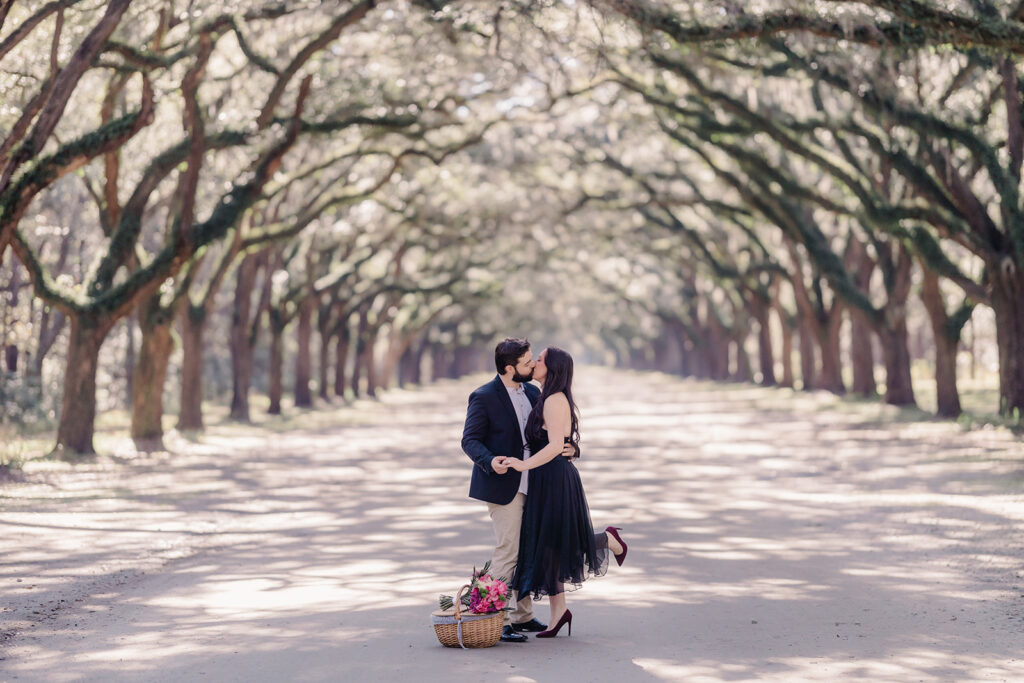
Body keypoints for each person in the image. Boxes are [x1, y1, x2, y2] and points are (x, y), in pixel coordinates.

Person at [501, 347, 628, 638]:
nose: (535, 362)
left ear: (553, 368)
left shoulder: (554, 399)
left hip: (554, 478)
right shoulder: (543, 395)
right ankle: (559, 614)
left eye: (541, 360)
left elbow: (556, 445)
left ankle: (607, 539)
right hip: (545, 477)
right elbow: (560, 441)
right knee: (551, 546)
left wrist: (523, 464)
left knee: (557, 543)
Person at [461, 338, 576, 643]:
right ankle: (495, 622)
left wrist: (570, 447)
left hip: (536, 483)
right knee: (508, 551)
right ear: (510, 368)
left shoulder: (532, 391)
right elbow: (469, 440)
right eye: (527, 362)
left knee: (528, 549)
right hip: (503, 485)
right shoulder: (483, 396)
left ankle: (522, 617)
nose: (532, 365)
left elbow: (551, 432)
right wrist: (490, 461)